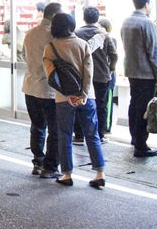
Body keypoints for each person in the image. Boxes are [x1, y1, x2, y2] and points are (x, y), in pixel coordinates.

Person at [43, 13, 106, 189]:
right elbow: (89, 72)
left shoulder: (50, 48)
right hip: (87, 98)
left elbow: (51, 76)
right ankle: (99, 173)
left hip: (64, 99)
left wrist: (68, 94)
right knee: (92, 134)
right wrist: (83, 95)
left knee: (64, 135)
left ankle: (67, 174)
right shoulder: (82, 44)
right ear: (72, 26)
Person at [121, 0, 157, 157]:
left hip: (132, 71)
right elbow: (153, 51)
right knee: (144, 109)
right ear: (147, 4)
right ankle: (141, 145)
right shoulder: (146, 23)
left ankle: (135, 138)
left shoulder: (126, 21)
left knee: (135, 105)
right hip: (146, 73)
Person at [21, 2, 62, 178]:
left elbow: (23, 55)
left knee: (37, 126)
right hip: (48, 90)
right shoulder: (55, 36)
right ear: (54, 16)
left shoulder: (30, 33)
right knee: (55, 129)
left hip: (30, 87)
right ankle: (50, 167)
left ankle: (38, 161)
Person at [74, 7, 118, 146]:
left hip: (81, 75)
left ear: (84, 18)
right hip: (101, 75)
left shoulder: (76, 34)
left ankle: (79, 135)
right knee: (101, 105)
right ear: (97, 19)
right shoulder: (103, 35)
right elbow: (114, 55)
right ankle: (99, 134)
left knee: (80, 104)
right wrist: (110, 69)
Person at [97, 17, 117, 134]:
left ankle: (106, 127)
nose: (99, 29)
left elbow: (113, 57)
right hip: (102, 75)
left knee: (106, 103)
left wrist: (111, 70)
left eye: (101, 27)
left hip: (108, 75)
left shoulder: (110, 39)